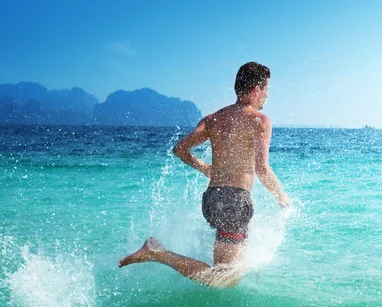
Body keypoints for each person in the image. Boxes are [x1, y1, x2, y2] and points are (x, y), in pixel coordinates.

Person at [119, 62, 290, 287]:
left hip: (212, 197)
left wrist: (205, 168)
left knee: (234, 270)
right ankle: (156, 252)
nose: (266, 96)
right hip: (234, 202)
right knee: (224, 279)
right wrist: (281, 196)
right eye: (266, 90)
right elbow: (262, 168)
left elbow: (180, 149)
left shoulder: (213, 118)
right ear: (256, 89)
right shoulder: (259, 120)